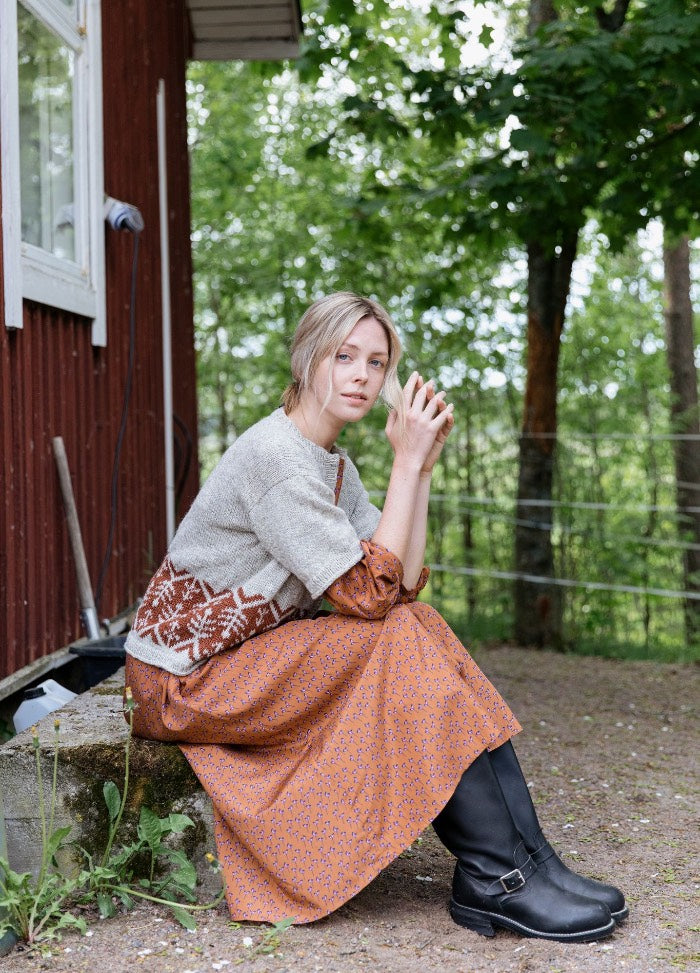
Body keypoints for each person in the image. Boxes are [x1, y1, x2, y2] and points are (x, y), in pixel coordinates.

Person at [124, 292, 627, 941]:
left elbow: (402, 588)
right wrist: (405, 462)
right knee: (400, 639)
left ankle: (527, 861)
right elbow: (366, 595)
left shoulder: (332, 466)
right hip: (183, 679)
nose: (361, 375)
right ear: (307, 358)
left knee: (417, 627)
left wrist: (420, 472)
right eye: (344, 356)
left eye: (376, 361)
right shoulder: (277, 458)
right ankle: (499, 874)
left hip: (243, 660)